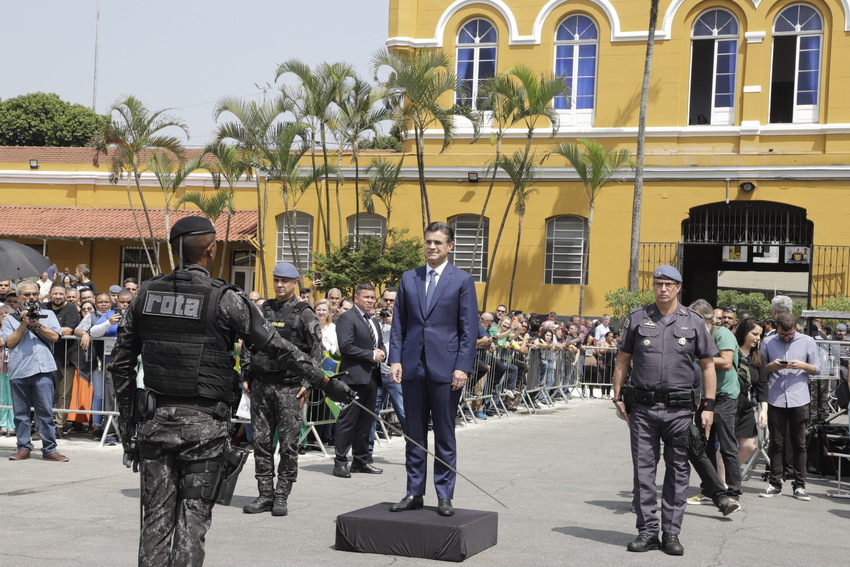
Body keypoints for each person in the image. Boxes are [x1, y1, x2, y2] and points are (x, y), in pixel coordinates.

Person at [108, 216, 353, 566]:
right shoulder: (225, 299)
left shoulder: (145, 294)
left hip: (155, 424)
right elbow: (278, 347)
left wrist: (130, 425)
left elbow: (120, 365)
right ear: (211, 249)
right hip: (204, 429)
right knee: (193, 521)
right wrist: (326, 382)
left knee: (155, 522)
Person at [612, 265, 717, 556]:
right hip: (644, 410)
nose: (663, 289)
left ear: (679, 287)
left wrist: (708, 406)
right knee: (644, 473)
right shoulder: (637, 318)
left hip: (680, 412)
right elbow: (622, 360)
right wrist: (617, 396)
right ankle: (647, 532)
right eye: (658, 284)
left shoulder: (694, 322)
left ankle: (671, 533)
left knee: (678, 471)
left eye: (669, 284)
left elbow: (708, 366)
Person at [389, 221, 478, 517]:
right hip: (413, 367)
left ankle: (444, 495)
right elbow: (399, 323)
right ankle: (414, 491)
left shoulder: (461, 280)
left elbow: (468, 329)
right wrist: (397, 359)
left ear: (449, 246)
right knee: (413, 434)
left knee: (444, 434)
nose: (432, 247)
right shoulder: (409, 278)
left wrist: (462, 367)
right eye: (428, 241)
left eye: (438, 242)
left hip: (446, 369)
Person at [241, 262, 324, 517]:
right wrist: (246, 373)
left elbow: (317, 351)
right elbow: (248, 343)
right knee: (261, 443)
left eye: (285, 281)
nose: (279, 285)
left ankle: (281, 495)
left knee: (288, 445)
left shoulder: (304, 313)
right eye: (276, 280)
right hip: (262, 385)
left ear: (295, 283)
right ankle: (265, 494)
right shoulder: (262, 310)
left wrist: (308, 382)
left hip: (290, 388)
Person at [2, 280, 69, 462]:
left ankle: (50, 449)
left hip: (43, 369)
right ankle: (23, 447)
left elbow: (55, 336)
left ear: (38, 295)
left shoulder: (47, 314)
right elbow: (9, 342)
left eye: (33, 294)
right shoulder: (10, 319)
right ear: (19, 297)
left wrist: (36, 324)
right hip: (19, 371)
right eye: (26, 295)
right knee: (21, 414)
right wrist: (24, 324)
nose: (31, 297)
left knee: (45, 412)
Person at [758, 312, 820, 501]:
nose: (786, 338)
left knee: (799, 443)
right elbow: (759, 369)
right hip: (775, 397)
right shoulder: (768, 342)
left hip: (799, 398)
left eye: (790, 335)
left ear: (796, 328)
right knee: (776, 443)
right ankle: (775, 482)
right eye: (783, 335)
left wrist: (802, 365)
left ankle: (799, 485)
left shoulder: (807, 341)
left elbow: (817, 368)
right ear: (777, 328)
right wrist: (772, 366)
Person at [333, 283, 386, 477]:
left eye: (372, 297)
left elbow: (379, 345)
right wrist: (370, 355)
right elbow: (346, 347)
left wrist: (382, 353)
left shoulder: (372, 320)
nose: (370, 301)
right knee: (348, 421)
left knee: (366, 421)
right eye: (366, 297)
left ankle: (361, 460)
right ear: (356, 298)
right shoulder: (347, 318)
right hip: (354, 378)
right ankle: (340, 462)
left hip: (372, 377)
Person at [43, 283, 81, 434]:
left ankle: (59, 425)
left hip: (65, 358)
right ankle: (43, 426)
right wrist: (54, 331)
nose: (58, 296)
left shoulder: (71, 309)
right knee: (44, 393)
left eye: (61, 293)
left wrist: (45, 329)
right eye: (55, 293)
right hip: (45, 358)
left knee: (63, 394)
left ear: (65, 295)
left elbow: (69, 329)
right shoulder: (43, 307)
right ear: (49, 294)